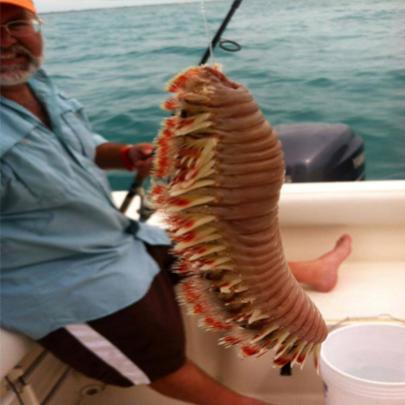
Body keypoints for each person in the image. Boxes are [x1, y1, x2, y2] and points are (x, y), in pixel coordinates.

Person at [0, 1, 352, 404]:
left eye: (17, 23)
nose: (7, 40)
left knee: (196, 252)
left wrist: (125, 154)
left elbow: (83, 147)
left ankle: (310, 271)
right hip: (60, 276)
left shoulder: (39, 86)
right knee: (156, 348)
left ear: (37, 28)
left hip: (115, 235)